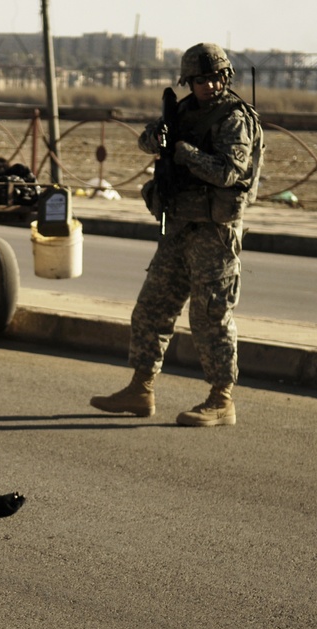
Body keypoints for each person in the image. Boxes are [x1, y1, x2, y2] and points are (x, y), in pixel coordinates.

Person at [90, 42, 264, 427]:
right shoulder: (182, 112)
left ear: (226, 77)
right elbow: (145, 141)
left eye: (216, 78)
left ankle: (221, 399)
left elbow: (228, 172)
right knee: (151, 309)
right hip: (178, 228)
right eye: (200, 79)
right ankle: (140, 388)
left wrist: (185, 154)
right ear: (189, 81)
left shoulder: (235, 118)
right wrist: (155, 138)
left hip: (213, 233)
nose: (209, 86)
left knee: (210, 317)